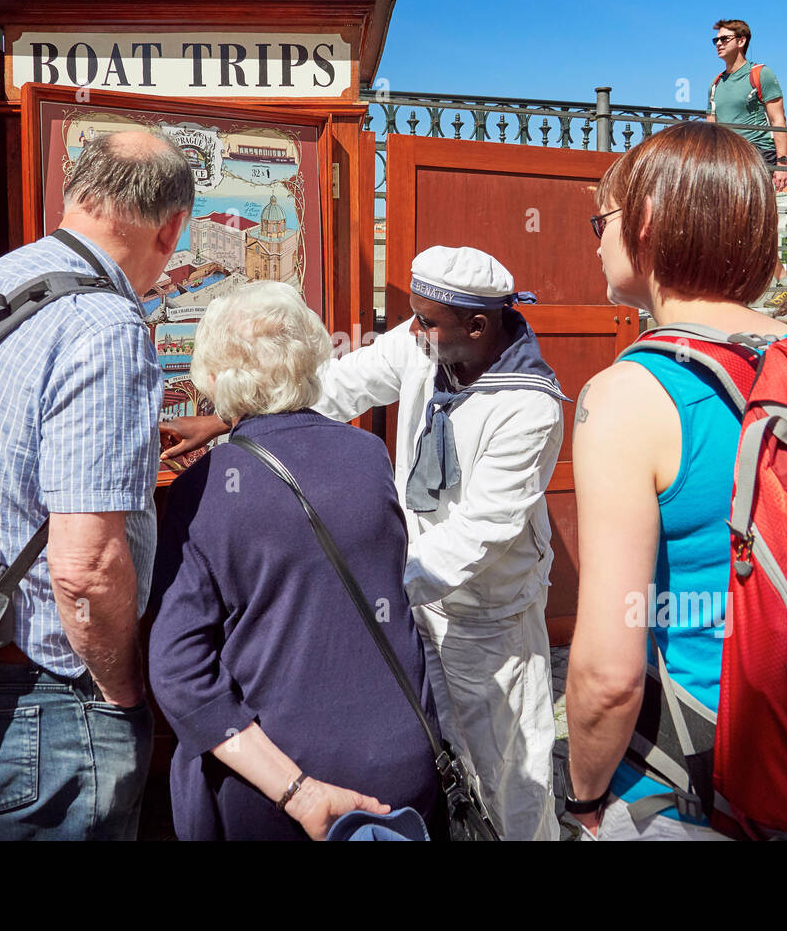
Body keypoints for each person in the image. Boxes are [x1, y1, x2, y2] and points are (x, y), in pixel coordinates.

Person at [163, 247, 567, 841]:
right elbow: (337, 387)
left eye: (426, 320)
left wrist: (370, 585)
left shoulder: (528, 406)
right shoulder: (426, 342)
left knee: (511, 777)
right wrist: (230, 419)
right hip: (410, 607)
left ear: (476, 326)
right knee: (445, 766)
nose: (412, 330)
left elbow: (477, 537)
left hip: (486, 620)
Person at [0, 129, 194, 840]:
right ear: (169, 230)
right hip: (58, 694)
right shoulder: (103, 324)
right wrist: (119, 690)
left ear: (78, 195)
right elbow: (86, 567)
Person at [146, 281, 440, 841]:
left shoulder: (205, 490)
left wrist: (296, 791)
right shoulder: (366, 456)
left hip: (283, 791)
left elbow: (180, 675)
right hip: (401, 765)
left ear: (211, 377)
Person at [565, 121, 787, 840]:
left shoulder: (629, 393)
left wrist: (582, 799)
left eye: (600, 219)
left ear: (649, 223)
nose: (595, 238)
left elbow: (608, 676)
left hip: (698, 781)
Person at [705, 18, 787, 284]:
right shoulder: (716, 83)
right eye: (716, 40)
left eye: (724, 39)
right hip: (727, 160)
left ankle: (779, 279)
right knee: (731, 222)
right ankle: (771, 280)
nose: (718, 44)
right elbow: (711, 126)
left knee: (753, 221)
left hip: (757, 156)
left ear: (741, 41)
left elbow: (778, 119)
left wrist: (782, 164)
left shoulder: (761, 73)